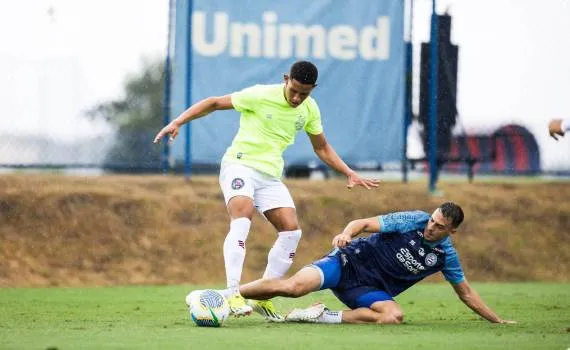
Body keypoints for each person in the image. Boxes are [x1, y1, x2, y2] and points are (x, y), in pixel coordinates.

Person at [154, 61, 379, 321]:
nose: (297, 98)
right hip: (239, 165)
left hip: (270, 176)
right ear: (286, 79)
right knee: (242, 216)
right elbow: (214, 102)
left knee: (291, 231)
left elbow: (322, 147)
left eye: (304, 93)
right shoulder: (260, 94)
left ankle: (262, 297)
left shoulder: (309, 109)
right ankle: (233, 293)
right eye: (294, 90)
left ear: (313, 89)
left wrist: (348, 172)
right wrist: (178, 121)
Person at [240, 202, 516, 325]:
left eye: (439, 225)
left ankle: (321, 316)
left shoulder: (446, 257)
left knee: (393, 316)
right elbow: (364, 223)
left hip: (368, 290)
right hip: (347, 262)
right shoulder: (413, 220)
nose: (431, 226)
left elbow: (465, 292)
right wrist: (346, 234)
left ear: (451, 231)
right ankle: (230, 295)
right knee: (293, 287)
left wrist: (497, 320)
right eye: (432, 219)